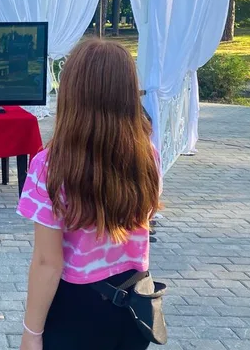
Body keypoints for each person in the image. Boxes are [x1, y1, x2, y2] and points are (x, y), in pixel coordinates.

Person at [17, 39, 161, 350]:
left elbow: (47, 262)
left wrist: (31, 332)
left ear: (71, 93)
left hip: (76, 310)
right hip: (136, 304)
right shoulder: (148, 155)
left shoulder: (49, 166)